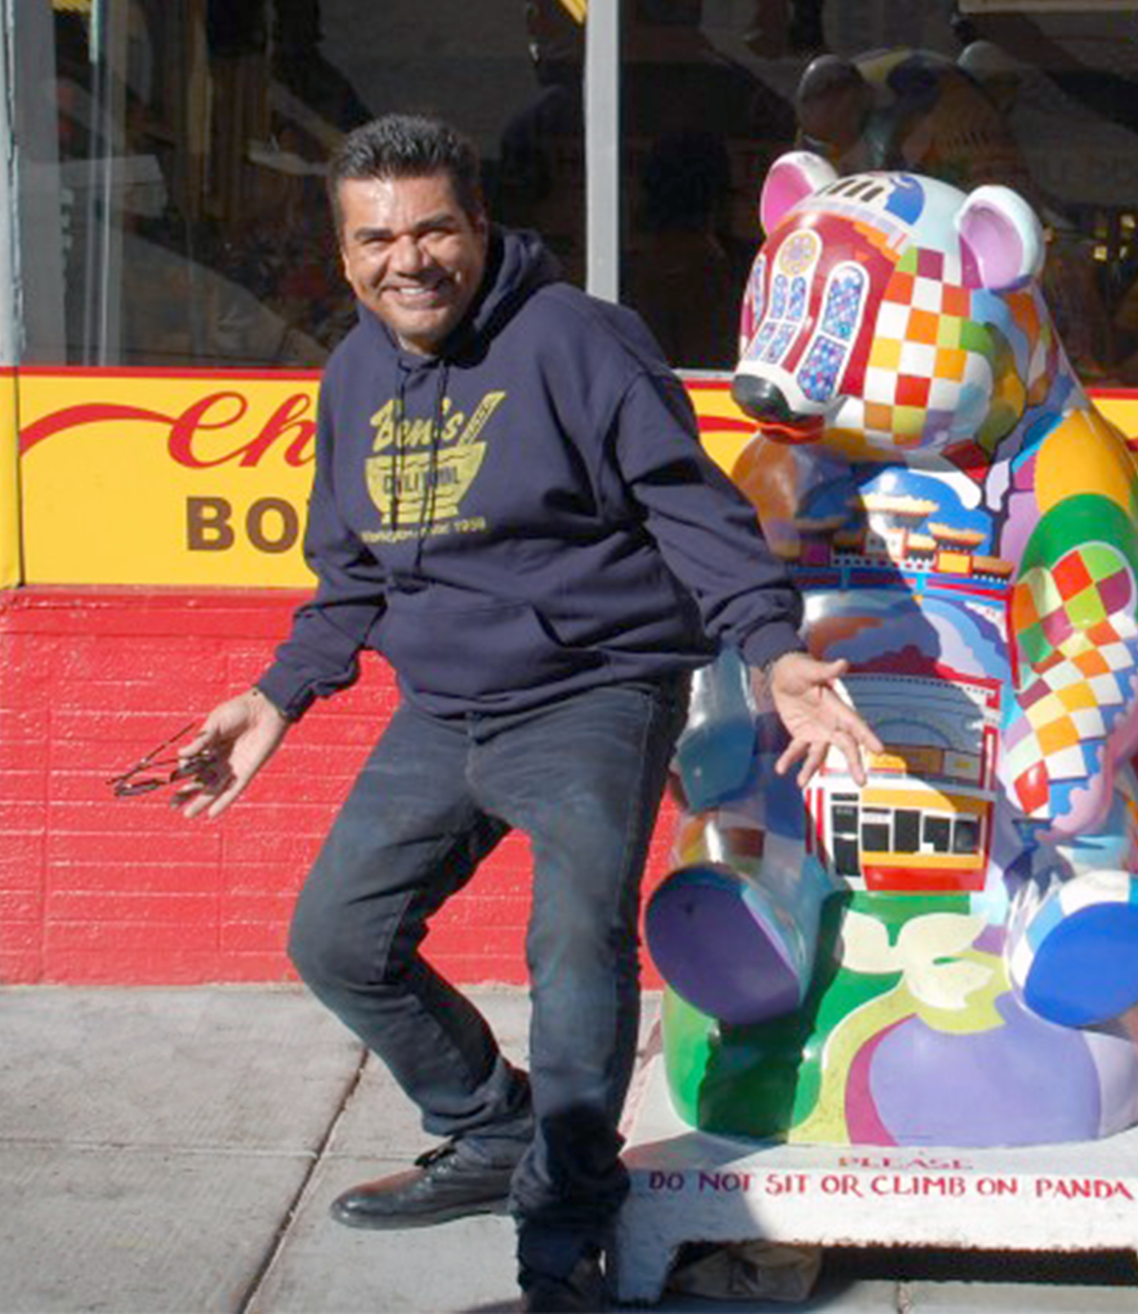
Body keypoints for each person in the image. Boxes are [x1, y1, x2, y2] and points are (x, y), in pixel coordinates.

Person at [173, 114, 870, 1314]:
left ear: (479, 225)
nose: (409, 257)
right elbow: (350, 576)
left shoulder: (578, 341)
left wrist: (769, 643)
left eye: (434, 226)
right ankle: (490, 1129)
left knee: (573, 950)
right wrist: (274, 695)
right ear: (346, 257)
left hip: (596, 686)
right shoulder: (352, 374)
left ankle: (565, 1227)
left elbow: (684, 503)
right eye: (377, 236)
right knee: (338, 938)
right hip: (445, 703)